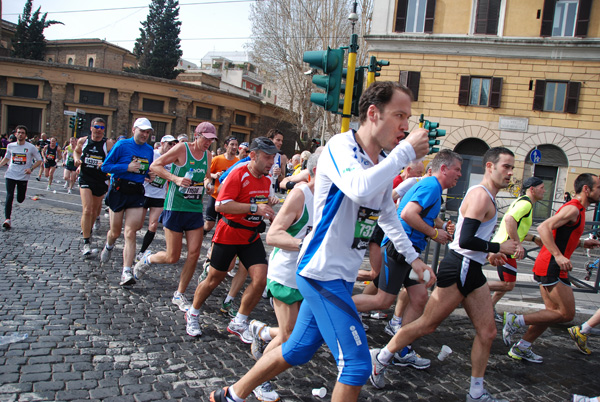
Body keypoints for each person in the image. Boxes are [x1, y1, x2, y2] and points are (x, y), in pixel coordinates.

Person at [209, 81, 430, 402]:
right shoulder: (342, 146)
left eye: (407, 118)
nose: (406, 126)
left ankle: (231, 394)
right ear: (373, 113)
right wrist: (405, 152)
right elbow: (358, 187)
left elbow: (387, 215)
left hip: (338, 274)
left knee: (297, 349)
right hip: (320, 272)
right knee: (355, 366)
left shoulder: (380, 161)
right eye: (399, 115)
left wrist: (415, 259)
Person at [370, 147, 519, 402]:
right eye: (506, 167)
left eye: (512, 168)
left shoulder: (487, 197)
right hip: (459, 266)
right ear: (490, 167)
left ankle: (476, 392)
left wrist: (490, 255)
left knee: (488, 332)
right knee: (425, 323)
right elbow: (465, 239)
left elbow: (470, 239)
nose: (510, 172)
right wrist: (497, 247)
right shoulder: (480, 196)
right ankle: (381, 357)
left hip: (471, 268)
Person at [354, 150, 462, 369]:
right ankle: (332, 310)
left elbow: (422, 213)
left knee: (420, 296)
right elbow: (408, 214)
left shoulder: (431, 186)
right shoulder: (432, 186)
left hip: (410, 253)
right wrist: (434, 233)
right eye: (457, 170)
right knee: (383, 301)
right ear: (443, 169)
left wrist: (440, 226)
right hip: (399, 250)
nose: (460, 174)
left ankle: (402, 348)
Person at [186, 137, 279, 341]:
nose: (271, 162)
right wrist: (254, 208)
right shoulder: (238, 173)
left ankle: (239, 322)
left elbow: (263, 203)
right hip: (229, 233)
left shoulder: (266, 178)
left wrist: (269, 212)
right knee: (214, 279)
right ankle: (193, 312)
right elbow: (221, 206)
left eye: (273, 157)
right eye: (267, 157)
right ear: (253, 155)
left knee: (260, 279)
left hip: (251, 236)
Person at [502, 173, 600, 363]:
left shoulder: (577, 210)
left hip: (551, 265)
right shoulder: (573, 209)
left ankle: (522, 347)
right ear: (586, 189)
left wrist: (581, 243)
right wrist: (558, 255)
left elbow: (562, 236)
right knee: (566, 314)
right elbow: (544, 228)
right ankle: (515, 320)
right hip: (551, 265)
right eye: (599, 187)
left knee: (550, 313)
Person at [248, 151, 320, 401]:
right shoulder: (301, 195)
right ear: (314, 173)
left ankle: (263, 332)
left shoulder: (333, 198)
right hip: (286, 274)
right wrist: (304, 246)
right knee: (290, 336)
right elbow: (273, 236)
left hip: (311, 276)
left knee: (304, 333)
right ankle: (259, 381)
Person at [133, 124, 215, 310]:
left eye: (211, 140)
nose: (208, 143)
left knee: (194, 253)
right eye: (206, 138)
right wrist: (176, 179)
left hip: (194, 208)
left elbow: (207, 176)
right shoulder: (181, 148)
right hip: (174, 207)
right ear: (196, 135)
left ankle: (179, 294)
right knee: (172, 256)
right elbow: (155, 165)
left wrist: (208, 184)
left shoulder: (208, 155)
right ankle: (148, 259)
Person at [99, 118, 154, 286]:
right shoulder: (122, 145)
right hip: (118, 190)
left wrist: (148, 176)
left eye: (147, 132)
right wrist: (126, 168)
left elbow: (147, 169)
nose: (145, 134)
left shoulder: (149, 150)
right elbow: (105, 167)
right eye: (142, 131)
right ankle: (109, 245)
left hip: (136, 192)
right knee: (115, 232)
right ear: (133, 130)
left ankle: (126, 272)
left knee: (130, 233)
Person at [488, 177, 545, 322]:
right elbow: (509, 220)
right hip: (505, 248)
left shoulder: (522, 202)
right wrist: (517, 244)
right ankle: (474, 289)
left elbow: (517, 227)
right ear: (532, 189)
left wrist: (533, 239)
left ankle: (489, 307)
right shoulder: (526, 204)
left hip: (502, 245)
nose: (544, 191)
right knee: (508, 284)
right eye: (542, 188)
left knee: (505, 284)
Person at [74, 118, 113, 256]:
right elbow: (77, 151)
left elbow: (114, 158)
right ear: (91, 128)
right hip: (86, 177)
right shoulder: (83, 141)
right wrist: (76, 159)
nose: (99, 129)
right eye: (96, 126)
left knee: (95, 211)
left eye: (102, 127)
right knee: (87, 209)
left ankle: (89, 226)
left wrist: (107, 166)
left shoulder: (108, 144)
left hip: (100, 180)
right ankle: (86, 242)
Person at [135, 135, 178, 260]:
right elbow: (139, 167)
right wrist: (145, 175)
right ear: (162, 143)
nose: (172, 147)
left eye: (174, 145)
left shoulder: (173, 159)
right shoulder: (152, 154)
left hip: (159, 195)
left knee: (153, 225)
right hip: (144, 192)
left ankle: (142, 251)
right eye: (170, 144)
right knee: (138, 225)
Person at [0, 125, 42, 229]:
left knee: (20, 198)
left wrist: (31, 169)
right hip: (10, 174)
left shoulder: (30, 147)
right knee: (9, 196)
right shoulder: (10, 146)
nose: (20, 134)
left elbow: (39, 160)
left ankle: (20, 198)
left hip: (23, 176)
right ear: (15, 134)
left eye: (22, 133)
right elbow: (6, 158)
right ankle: (7, 219)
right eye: (19, 132)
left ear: (26, 135)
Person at [203, 137, 239, 235]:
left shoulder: (238, 162)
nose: (234, 147)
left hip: (228, 199)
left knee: (223, 226)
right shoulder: (217, 159)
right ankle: (199, 236)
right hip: (215, 196)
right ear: (226, 146)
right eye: (232, 144)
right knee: (209, 224)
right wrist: (215, 175)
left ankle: (213, 248)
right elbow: (206, 174)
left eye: (236, 145)